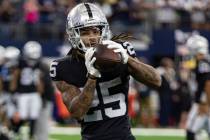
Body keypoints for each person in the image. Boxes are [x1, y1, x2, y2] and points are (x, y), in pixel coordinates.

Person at [50, 3, 161, 140]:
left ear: (104, 31)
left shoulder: (119, 51)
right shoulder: (63, 66)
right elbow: (77, 113)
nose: (92, 37)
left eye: (96, 31)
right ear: (73, 34)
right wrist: (92, 76)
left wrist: (128, 59)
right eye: (85, 32)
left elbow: (156, 81)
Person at [185, 34, 210, 140]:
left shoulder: (203, 63)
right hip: (203, 101)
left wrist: (206, 103)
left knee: (191, 130)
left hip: (203, 102)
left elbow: (208, 83)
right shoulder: (201, 62)